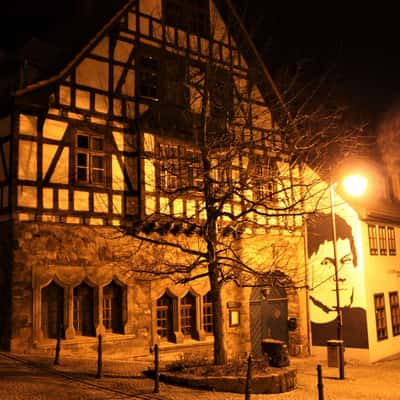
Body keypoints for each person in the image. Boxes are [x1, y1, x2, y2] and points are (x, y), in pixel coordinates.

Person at [307, 213, 368, 348]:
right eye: (327, 263)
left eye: (346, 261)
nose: (340, 276)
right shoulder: (307, 330)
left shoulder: (361, 319)